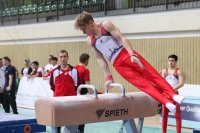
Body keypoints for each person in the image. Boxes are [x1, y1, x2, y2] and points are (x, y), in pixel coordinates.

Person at [74, 11, 184, 113]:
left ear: (91, 23)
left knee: (152, 75)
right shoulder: (90, 41)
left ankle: (173, 95)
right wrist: (108, 77)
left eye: (84, 28)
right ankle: (167, 102)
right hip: (117, 64)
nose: (83, 32)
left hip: (126, 54)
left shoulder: (105, 25)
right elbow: (100, 59)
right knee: (143, 84)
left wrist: (131, 53)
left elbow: (122, 38)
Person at [50, 50, 78, 133]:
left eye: (65, 56)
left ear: (68, 57)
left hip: (71, 102)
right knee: (57, 125)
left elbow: (77, 86)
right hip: (58, 102)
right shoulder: (54, 72)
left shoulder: (74, 71)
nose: (63, 59)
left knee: (70, 124)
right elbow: (53, 86)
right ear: (58, 58)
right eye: (61, 57)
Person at [161, 54, 184, 133]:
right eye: (169, 60)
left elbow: (181, 83)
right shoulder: (164, 71)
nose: (170, 62)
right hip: (165, 95)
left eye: (172, 61)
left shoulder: (178, 71)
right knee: (164, 116)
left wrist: (171, 90)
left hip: (174, 95)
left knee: (177, 116)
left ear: (176, 62)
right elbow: (161, 82)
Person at [74, 53, 91, 133]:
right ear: (87, 60)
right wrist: (93, 95)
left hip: (73, 94)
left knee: (74, 114)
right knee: (82, 115)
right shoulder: (85, 70)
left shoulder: (74, 68)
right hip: (82, 95)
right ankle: (80, 130)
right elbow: (88, 85)